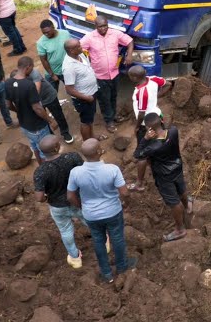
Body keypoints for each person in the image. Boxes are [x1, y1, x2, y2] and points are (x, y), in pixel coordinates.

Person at [67, 138, 135, 283]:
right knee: (117, 238)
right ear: (99, 152)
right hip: (113, 212)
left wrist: (81, 206)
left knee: (98, 240)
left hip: (91, 215)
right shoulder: (112, 169)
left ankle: (106, 273)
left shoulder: (75, 172)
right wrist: (126, 203)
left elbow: (70, 196)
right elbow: (125, 193)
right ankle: (122, 267)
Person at [134, 113, 192, 242]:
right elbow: (165, 128)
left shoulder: (152, 147)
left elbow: (138, 154)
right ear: (161, 120)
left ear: (149, 128)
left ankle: (180, 229)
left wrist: (145, 138)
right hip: (177, 167)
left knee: (173, 202)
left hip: (164, 176)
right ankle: (188, 206)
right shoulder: (173, 131)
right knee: (181, 189)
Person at [35, 135, 86, 269]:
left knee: (66, 231)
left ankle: (75, 258)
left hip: (57, 206)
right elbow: (85, 173)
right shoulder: (73, 157)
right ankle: (104, 241)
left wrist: (47, 198)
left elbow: (39, 197)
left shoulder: (40, 171)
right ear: (57, 148)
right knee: (89, 221)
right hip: (78, 200)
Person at [81, 17, 134, 133]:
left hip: (114, 74)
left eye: (105, 25)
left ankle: (114, 115)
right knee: (104, 99)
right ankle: (109, 121)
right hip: (99, 76)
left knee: (113, 96)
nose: (103, 28)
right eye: (100, 26)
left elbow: (129, 41)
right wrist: (85, 64)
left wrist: (129, 55)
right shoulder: (89, 38)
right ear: (95, 26)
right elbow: (78, 49)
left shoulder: (114, 33)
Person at [7, 56, 59, 156]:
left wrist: (19, 111)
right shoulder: (29, 85)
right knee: (46, 152)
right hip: (37, 126)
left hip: (24, 125)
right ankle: (47, 170)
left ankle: (41, 167)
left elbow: (8, 105)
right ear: (28, 67)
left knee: (35, 148)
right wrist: (50, 120)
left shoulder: (8, 83)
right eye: (32, 67)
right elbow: (37, 108)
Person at [63, 37, 104, 142]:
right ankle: (88, 144)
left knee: (89, 120)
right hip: (84, 98)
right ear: (71, 50)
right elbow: (69, 89)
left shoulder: (79, 54)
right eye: (79, 46)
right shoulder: (69, 67)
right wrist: (87, 98)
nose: (81, 47)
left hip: (91, 93)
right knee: (85, 122)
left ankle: (93, 137)